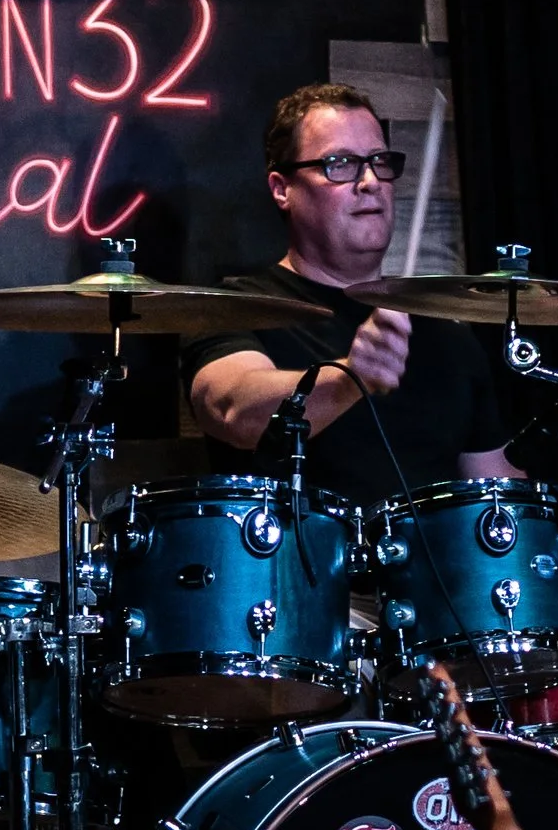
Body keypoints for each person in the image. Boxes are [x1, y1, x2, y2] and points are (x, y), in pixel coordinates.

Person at [183, 82, 518, 509]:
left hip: (432, 575)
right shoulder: (236, 308)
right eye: (340, 163)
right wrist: (347, 378)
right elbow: (235, 411)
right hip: (291, 571)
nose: (370, 181)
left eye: (379, 162)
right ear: (282, 188)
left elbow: (500, 501)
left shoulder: (448, 337)